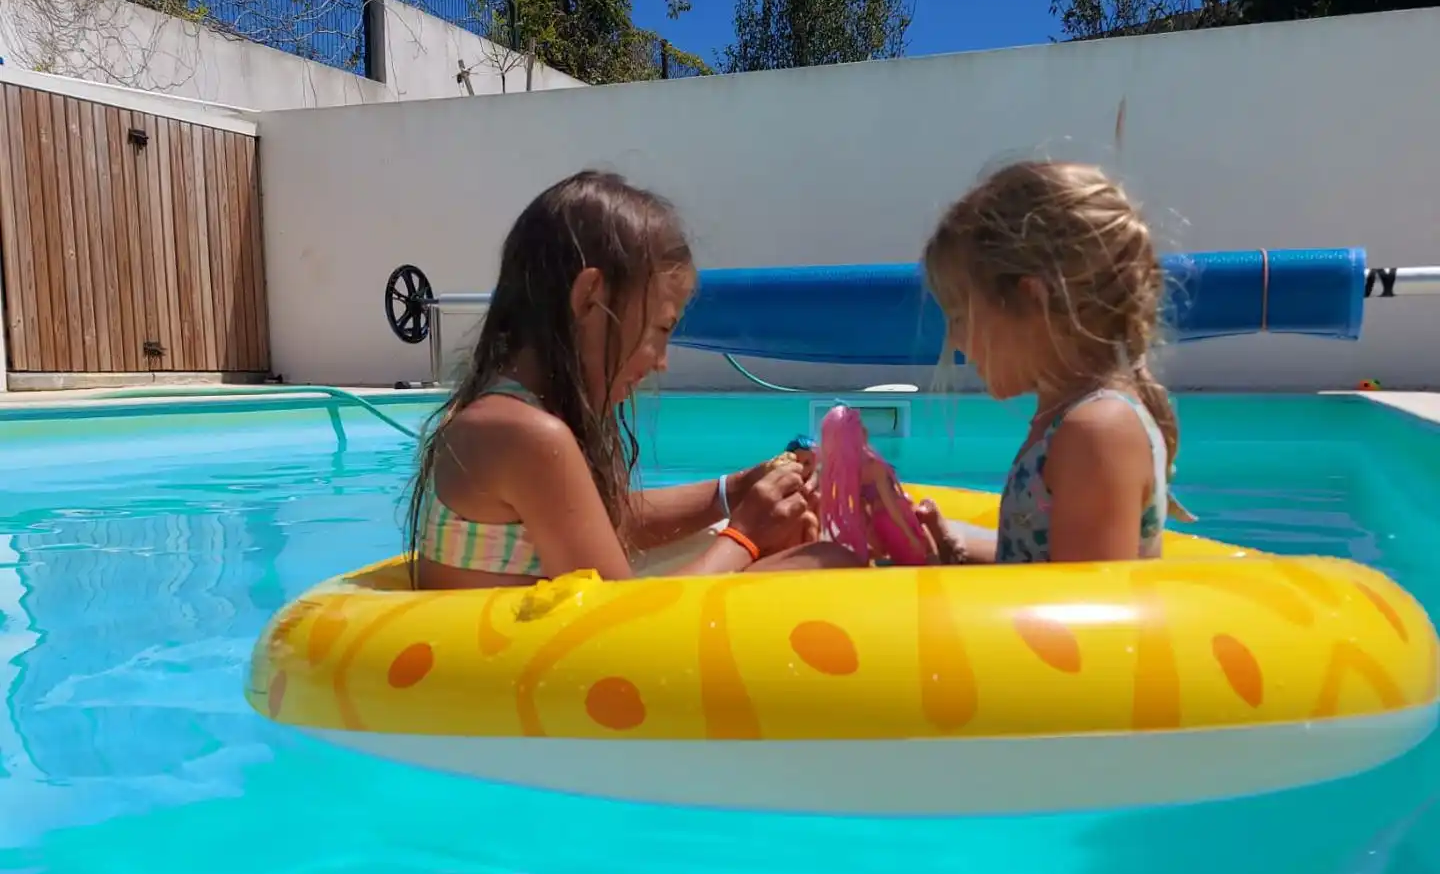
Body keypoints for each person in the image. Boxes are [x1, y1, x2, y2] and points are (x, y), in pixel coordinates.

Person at [403, 170, 821, 591]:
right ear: (590, 298)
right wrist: (745, 536)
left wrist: (736, 490)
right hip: (575, 633)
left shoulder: (504, 414)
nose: (662, 362)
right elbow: (621, 617)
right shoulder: (526, 435)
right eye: (661, 329)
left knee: (801, 552)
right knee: (822, 561)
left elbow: (602, 521)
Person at [911, 159, 1194, 565]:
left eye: (960, 317)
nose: (955, 341)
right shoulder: (1072, 421)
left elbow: (1086, 599)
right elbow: (1038, 562)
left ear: (1031, 301)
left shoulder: (1096, 432)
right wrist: (952, 545)